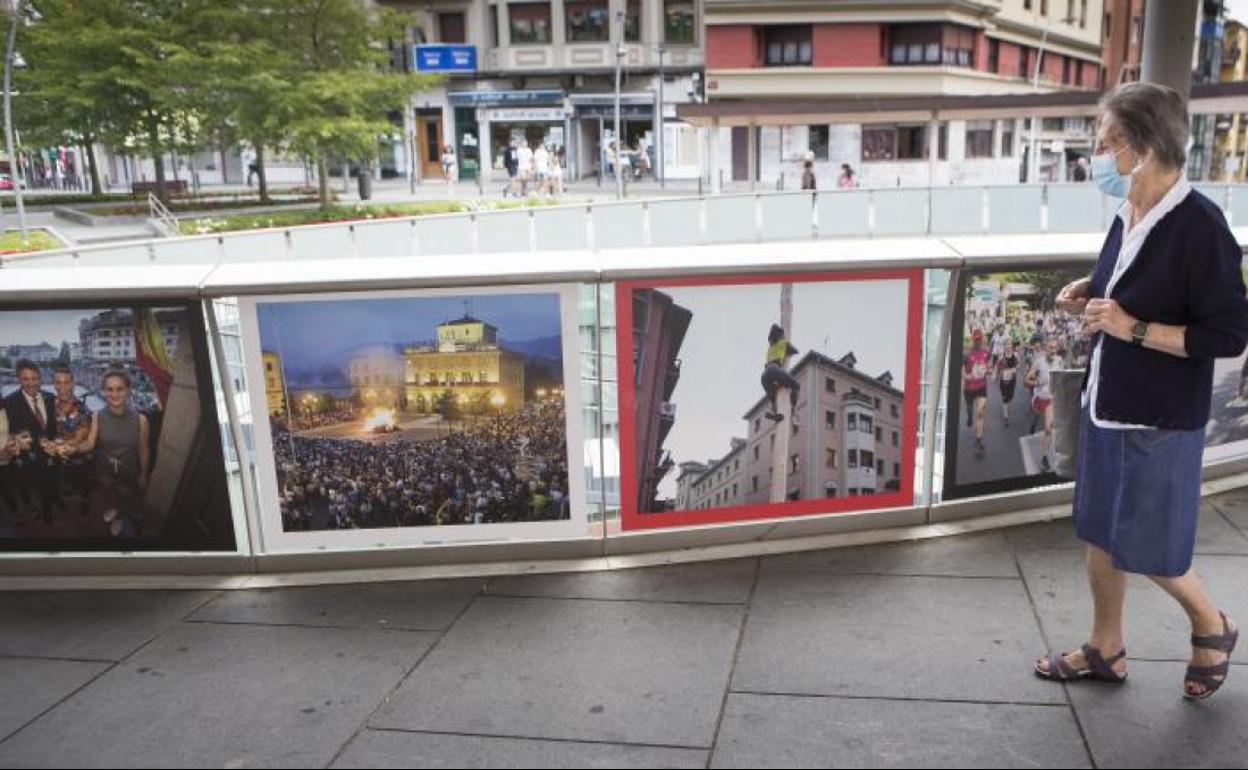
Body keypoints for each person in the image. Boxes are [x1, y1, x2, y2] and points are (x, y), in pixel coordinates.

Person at [1034, 83, 1248, 701]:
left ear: (1145, 147)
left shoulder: (1201, 228)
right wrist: (1091, 287)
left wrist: (1134, 328)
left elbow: (1229, 334)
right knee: (1100, 531)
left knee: (1150, 545)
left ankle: (1213, 624)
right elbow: (1131, 284)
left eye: (1108, 140)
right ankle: (1106, 648)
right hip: (1108, 403)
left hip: (1156, 417)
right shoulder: (1132, 211)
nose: (1098, 153)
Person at [72, 370, 151, 538]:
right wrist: (72, 448)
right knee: (108, 493)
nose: (114, 394)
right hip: (104, 470)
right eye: (109, 389)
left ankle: (119, 518)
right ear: (103, 391)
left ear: (128, 390)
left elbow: (143, 449)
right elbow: (90, 444)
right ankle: (113, 508)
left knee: (126, 497)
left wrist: (144, 474)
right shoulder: (96, 417)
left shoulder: (141, 420)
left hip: (129, 472)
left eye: (119, 389)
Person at [2, 360, 59, 520]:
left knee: (50, 485)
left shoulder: (50, 397)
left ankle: (48, 511)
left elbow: (53, 427)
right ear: (18, 379)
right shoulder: (9, 402)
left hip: (51, 453)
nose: (31, 383)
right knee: (33, 486)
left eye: (34, 378)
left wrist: (54, 443)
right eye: (26, 379)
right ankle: (34, 507)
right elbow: (11, 431)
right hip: (29, 457)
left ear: (40, 378)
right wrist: (18, 441)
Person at [1024, 338, 1055, 472]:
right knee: (1036, 415)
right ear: (1045, 348)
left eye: (1055, 348)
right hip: (1039, 398)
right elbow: (1026, 380)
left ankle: (1044, 458)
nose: (1053, 350)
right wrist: (1037, 383)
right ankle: (1033, 422)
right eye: (1050, 347)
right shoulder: (1039, 362)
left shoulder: (1059, 362)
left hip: (1050, 399)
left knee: (1048, 428)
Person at [761, 324, 800, 424]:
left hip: (764, 375)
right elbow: (796, 351)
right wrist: (787, 349)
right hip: (775, 369)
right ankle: (794, 411)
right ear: (780, 334)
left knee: (773, 396)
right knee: (796, 386)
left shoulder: (770, 348)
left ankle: (773, 412)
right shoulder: (783, 342)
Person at [962, 329, 990, 453]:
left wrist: (989, 370)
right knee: (970, 409)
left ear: (982, 339)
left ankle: (979, 439)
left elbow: (988, 366)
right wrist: (966, 376)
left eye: (980, 339)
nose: (978, 341)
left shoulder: (986, 352)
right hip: (969, 388)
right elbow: (962, 369)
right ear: (973, 340)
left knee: (980, 412)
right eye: (976, 339)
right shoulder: (967, 354)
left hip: (982, 386)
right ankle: (969, 416)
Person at [996, 339, 1020, 427]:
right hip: (1003, 379)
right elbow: (997, 366)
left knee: (1010, 396)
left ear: (1012, 346)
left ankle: (1008, 400)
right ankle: (1006, 417)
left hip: (1012, 379)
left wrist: (1015, 368)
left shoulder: (1016, 355)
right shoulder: (1001, 356)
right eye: (1006, 344)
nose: (1008, 346)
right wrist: (996, 374)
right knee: (1004, 398)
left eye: (1009, 344)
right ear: (1004, 346)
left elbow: (1018, 364)